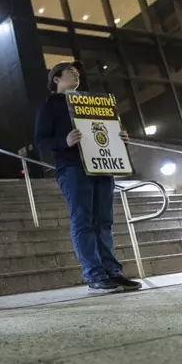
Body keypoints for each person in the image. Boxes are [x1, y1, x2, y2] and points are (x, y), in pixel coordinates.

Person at [34, 61, 142, 294]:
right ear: (56, 79)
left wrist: (118, 136)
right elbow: (40, 139)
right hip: (73, 167)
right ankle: (94, 273)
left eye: (77, 72)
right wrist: (64, 141)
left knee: (104, 220)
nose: (76, 74)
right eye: (70, 72)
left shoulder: (93, 102)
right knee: (83, 220)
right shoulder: (50, 106)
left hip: (101, 165)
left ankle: (112, 271)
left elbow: (104, 130)